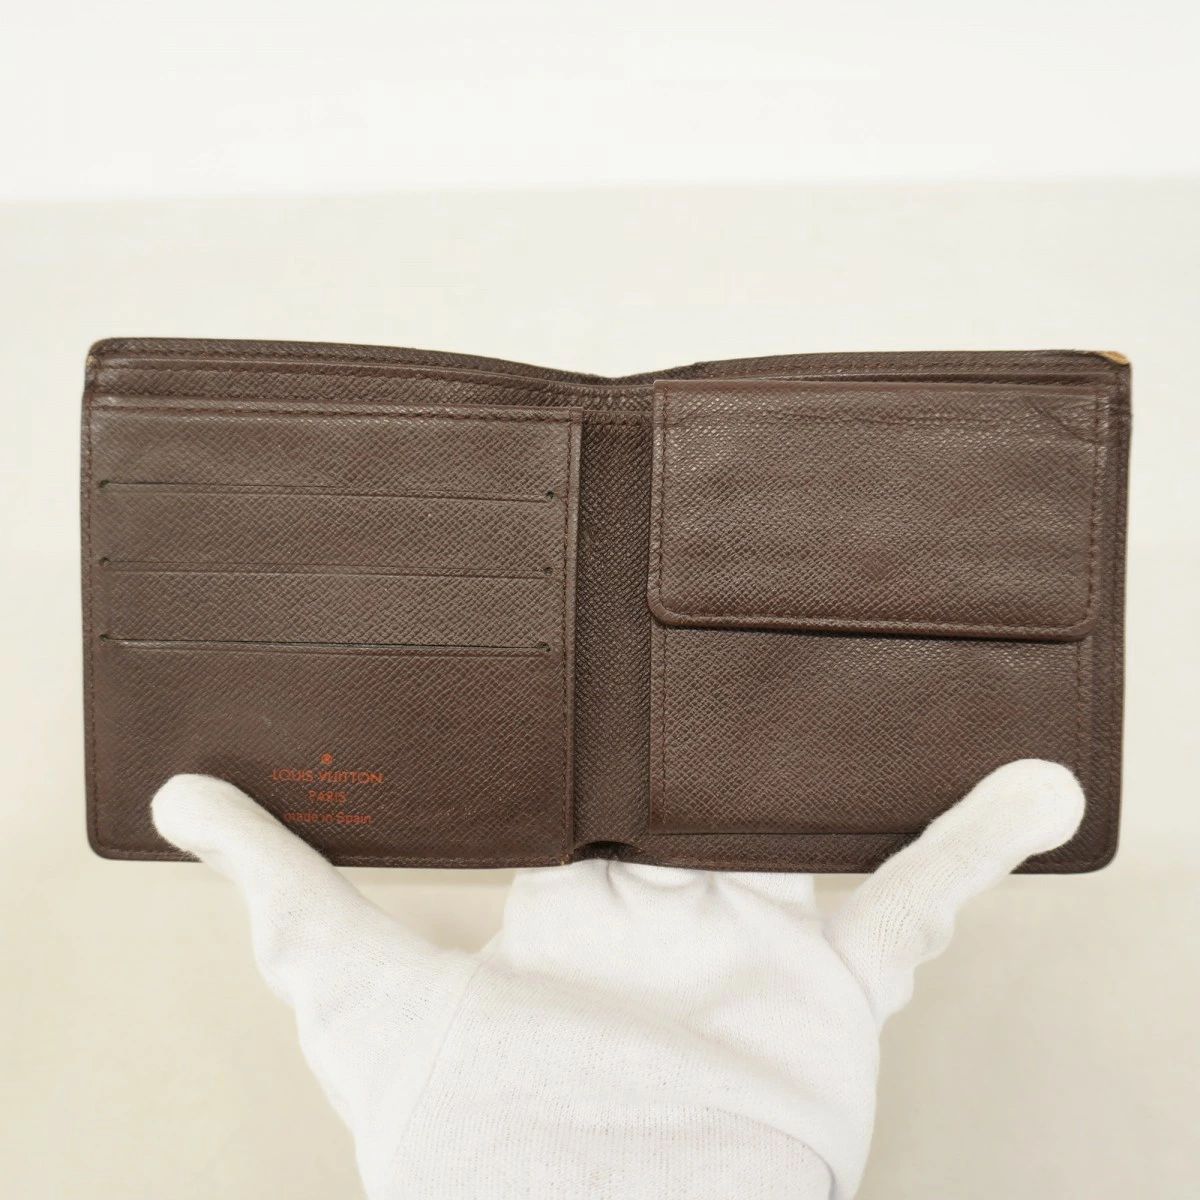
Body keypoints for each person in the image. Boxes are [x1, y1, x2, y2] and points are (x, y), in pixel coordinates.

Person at [151, 758, 1083, 1199]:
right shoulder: (428, 1135)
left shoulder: (429, 1134)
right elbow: (321, 945)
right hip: (777, 1090)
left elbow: (322, 948)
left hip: (771, 1100)